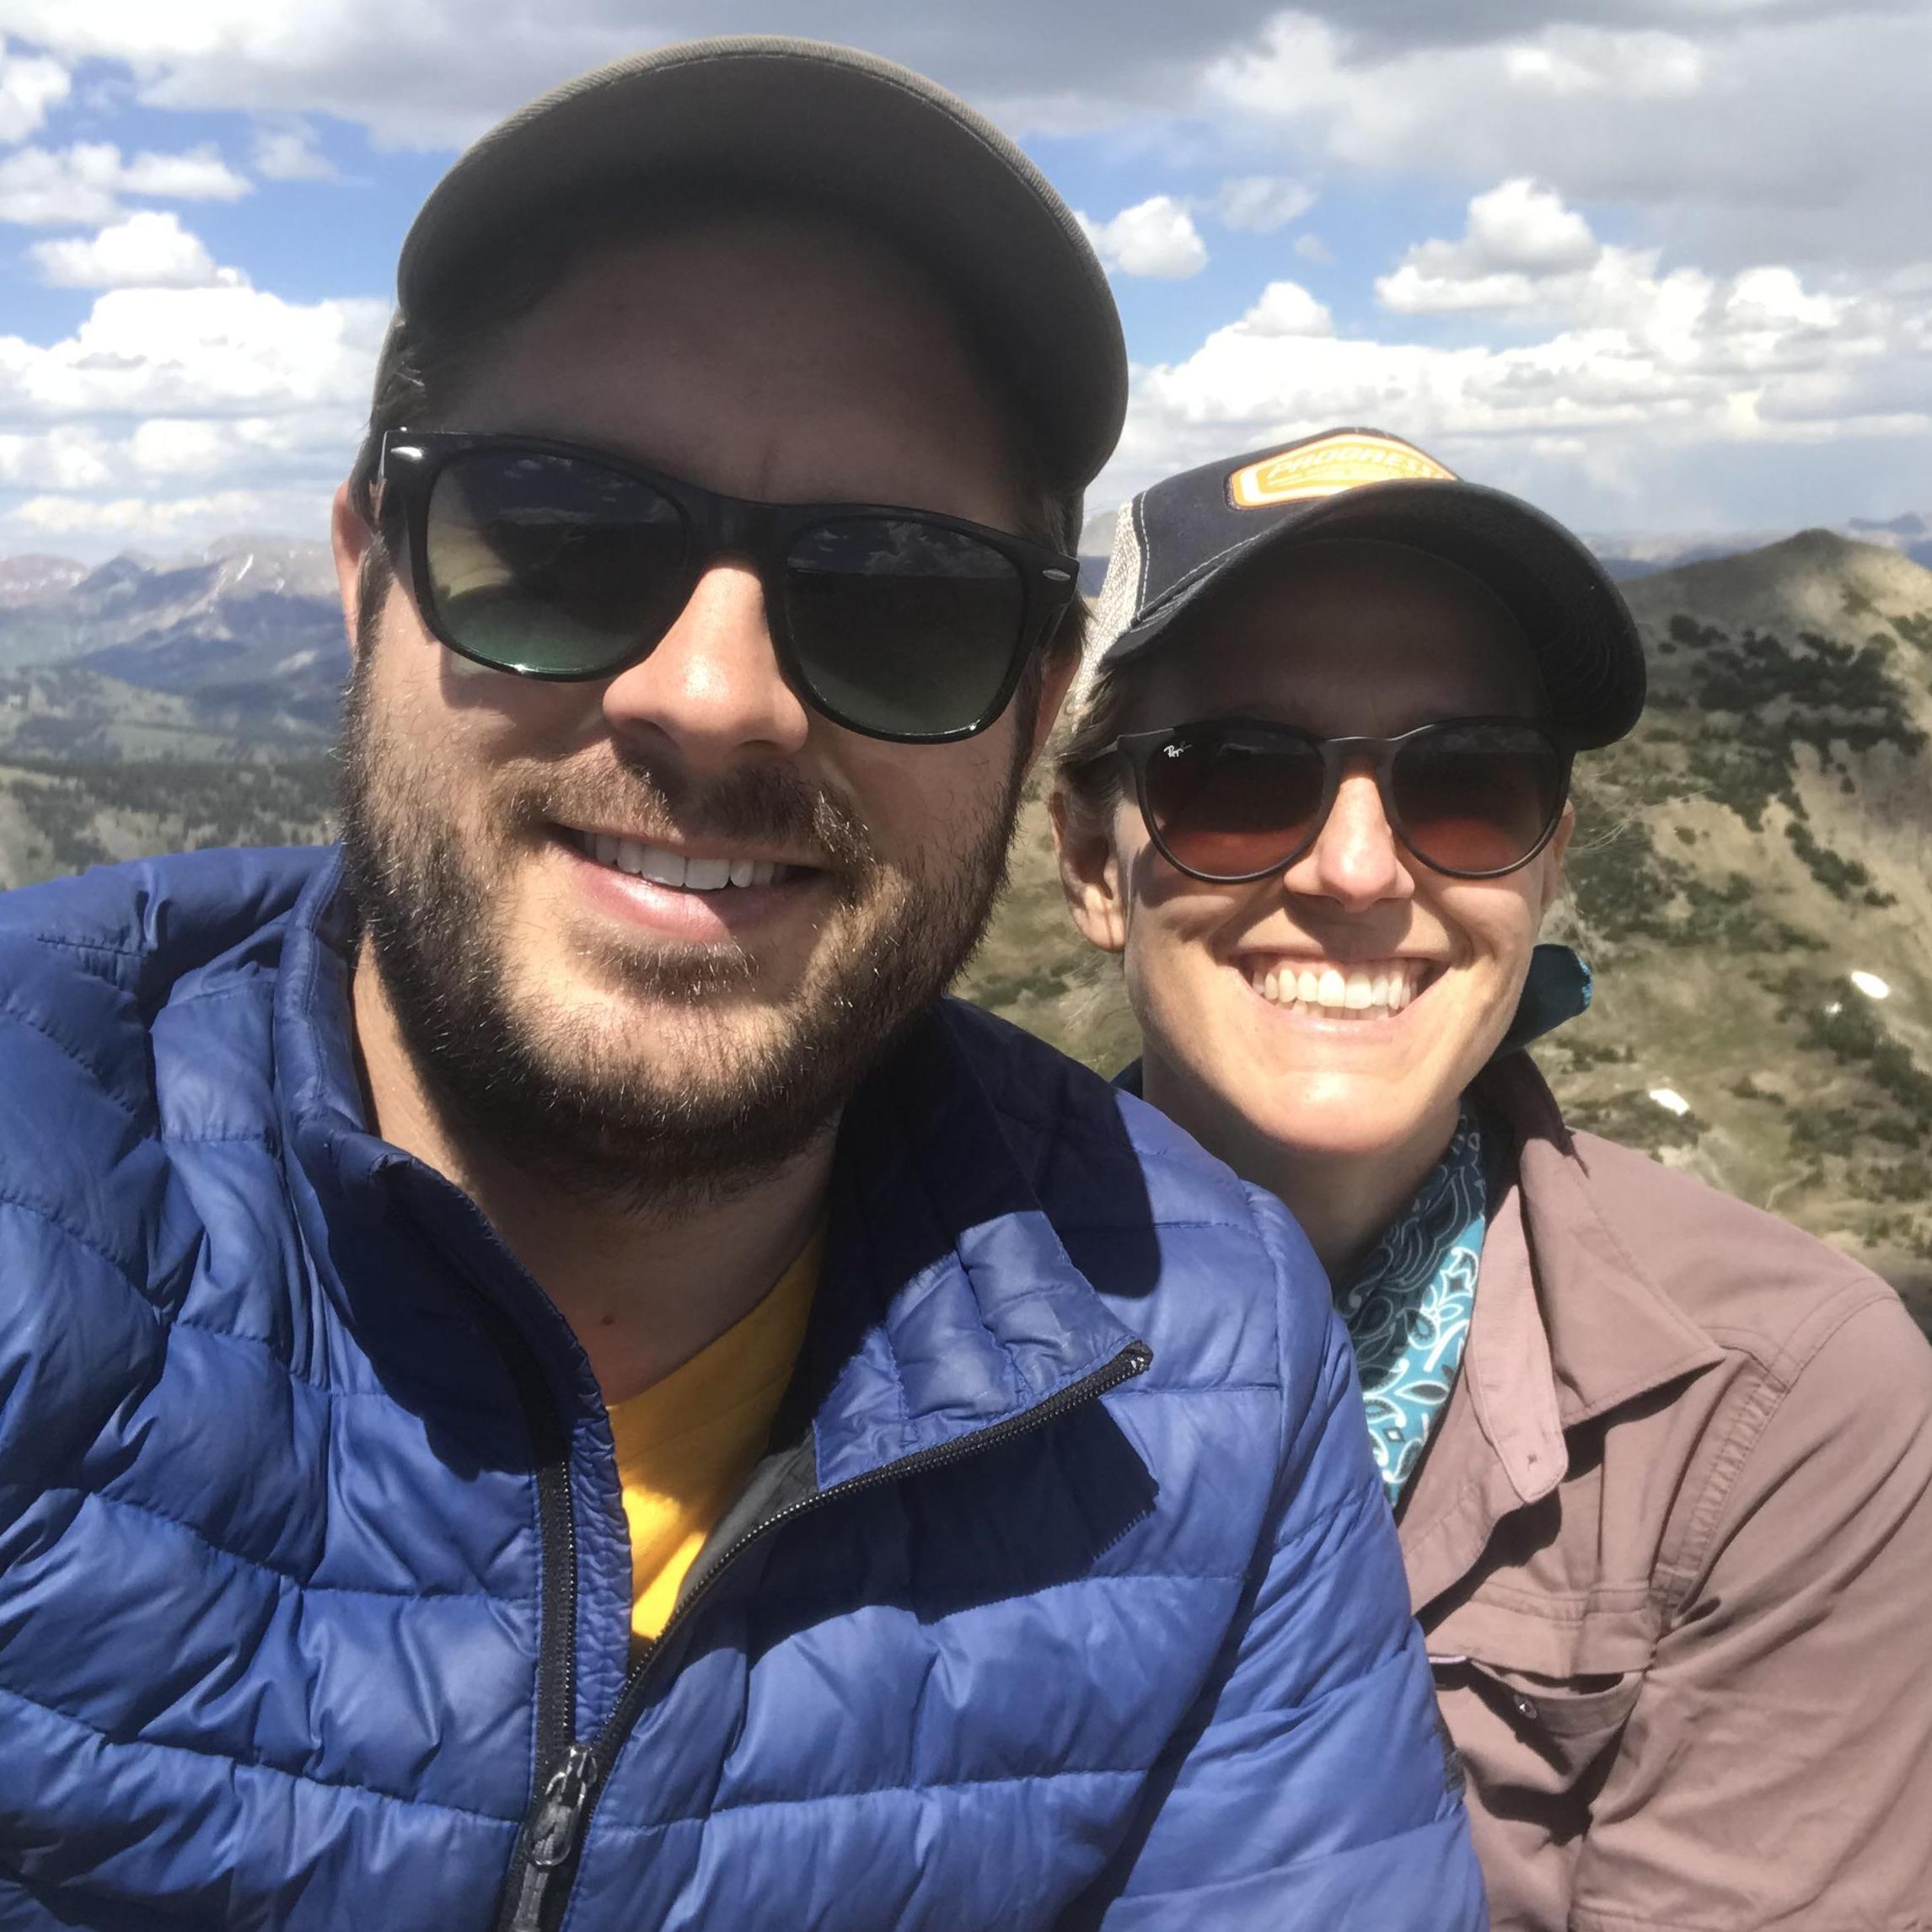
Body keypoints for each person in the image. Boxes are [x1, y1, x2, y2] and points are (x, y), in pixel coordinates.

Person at [0, 47, 1484, 1932]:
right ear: (369, 572)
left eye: (898, 592)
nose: (711, 694)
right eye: (560, 534)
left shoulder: (1201, 1364)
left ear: (1036, 713)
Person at [1052, 427, 1932, 1932]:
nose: (1355, 869)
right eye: (1238, 778)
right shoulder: (854, 1312)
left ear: (1543, 867)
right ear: (1088, 861)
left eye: (1465, 784)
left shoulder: (1787, 1409)